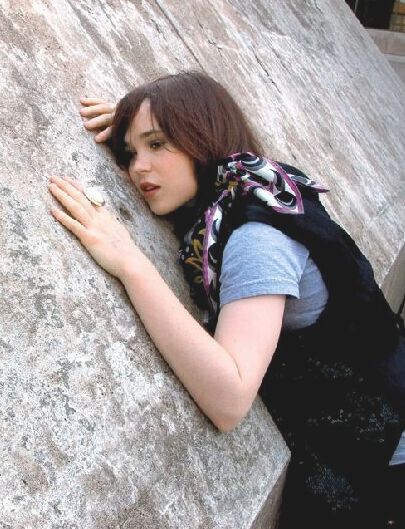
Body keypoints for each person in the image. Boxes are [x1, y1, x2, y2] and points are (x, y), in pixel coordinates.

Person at [48, 71, 405, 528]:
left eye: (157, 144)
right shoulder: (252, 183)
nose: (138, 167)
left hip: (382, 456)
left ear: (204, 137)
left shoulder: (256, 239)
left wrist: (130, 262)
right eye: (131, 152)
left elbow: (230, 399)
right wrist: (139, 125)